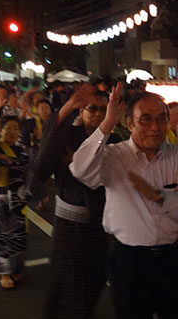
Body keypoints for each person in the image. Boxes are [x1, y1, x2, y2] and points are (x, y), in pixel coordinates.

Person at [69, 85, 178, 319]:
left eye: (161, 119)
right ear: (129, 124)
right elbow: (80, 169)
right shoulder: (113, 156)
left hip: (171, 259)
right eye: (146, 120)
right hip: (129, 262)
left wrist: (160, 196)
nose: (155, 127)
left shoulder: (176, 157)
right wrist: (107, 123)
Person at [31, 84, 120, 318]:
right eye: (93, 109)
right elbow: (41, 168)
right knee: (66, 283)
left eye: (104, 110)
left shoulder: (115, 140)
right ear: (81, 112)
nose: (98, 114)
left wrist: (74, 163)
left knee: (94, 281)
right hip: (68, 225)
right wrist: (68, 106)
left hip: (99, 225)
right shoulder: (68, 135)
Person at [0, 89, 30, 290]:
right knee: (0, 238)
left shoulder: (22, 149)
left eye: (15, 129)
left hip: (18, 202)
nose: (12, 132)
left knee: (18, 236)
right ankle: (4, 273)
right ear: (0, 130)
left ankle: (16, 268)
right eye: (8, 128)